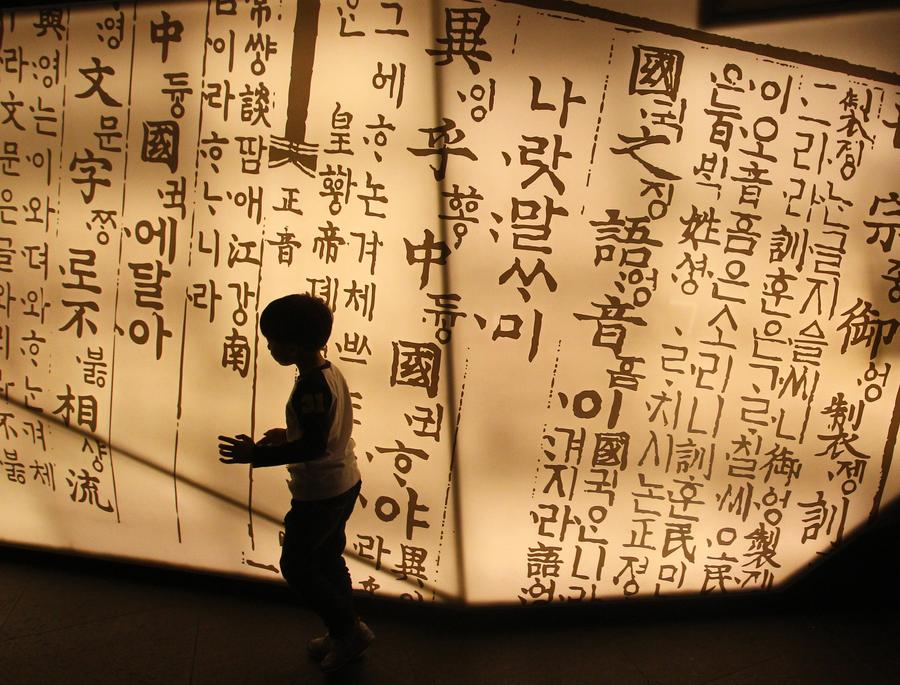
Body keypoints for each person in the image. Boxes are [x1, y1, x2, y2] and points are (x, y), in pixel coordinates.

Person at [218, 293, 374, 672]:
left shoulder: (311, 386)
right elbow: (320, 432)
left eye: (273, 342)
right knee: (328, 559)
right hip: (344, 481)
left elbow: (314, 446)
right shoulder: (328, 372)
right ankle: (346, 631)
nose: (270, 348)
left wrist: (256, 455)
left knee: (298, 567)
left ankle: (347, 631)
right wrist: (288, 434)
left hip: (320, 492)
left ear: (293, 346)